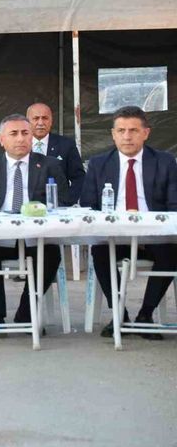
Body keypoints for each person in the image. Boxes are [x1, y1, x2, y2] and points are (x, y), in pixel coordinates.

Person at [80, 106, 177, 340]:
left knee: (172, 253)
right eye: (121, 130)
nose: (127, 136)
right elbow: (88, 205)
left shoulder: (165, 161)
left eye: (133, 130)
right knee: (100, 252)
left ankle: (146, 314)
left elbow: (174, 204)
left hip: (155, 235)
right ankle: (119, 314)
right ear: (113, 134)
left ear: (146, 133)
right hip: (116, 235)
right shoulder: (99, 163)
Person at [0, 114, 70, 330]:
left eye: (25, 133)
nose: (20, 138)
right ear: (1, 139)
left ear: (32, 136)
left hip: (36, 235)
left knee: (51, 253)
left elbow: (63, 201)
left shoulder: (50, 165)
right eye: (13, 133)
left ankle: (26, 315)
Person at [26, 102, 86, 204]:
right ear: (27, 122)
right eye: (36, 118)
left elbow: (79, 177)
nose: (40, 123)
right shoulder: (20, 145)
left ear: (51, 121)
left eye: (45, 118)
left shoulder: (66, 145)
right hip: (26, 205)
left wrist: (69, 201)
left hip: (58, 205)